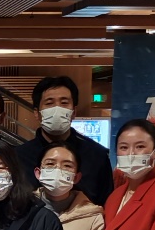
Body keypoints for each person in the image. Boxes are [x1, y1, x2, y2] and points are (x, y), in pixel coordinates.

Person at [18, 76, 113, 206]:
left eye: (64, 103)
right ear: (36, 113)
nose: (57, 109)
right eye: (49, 103)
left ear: (74, 111)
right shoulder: (18, 157)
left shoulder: (97, 156)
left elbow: (106, 204)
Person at [34, 142, 104, 230]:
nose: (58, 170)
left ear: (76, 177)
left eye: (67, 166)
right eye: (50, 163)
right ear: (38, 173)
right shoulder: (22, 208)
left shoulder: (93, 217)